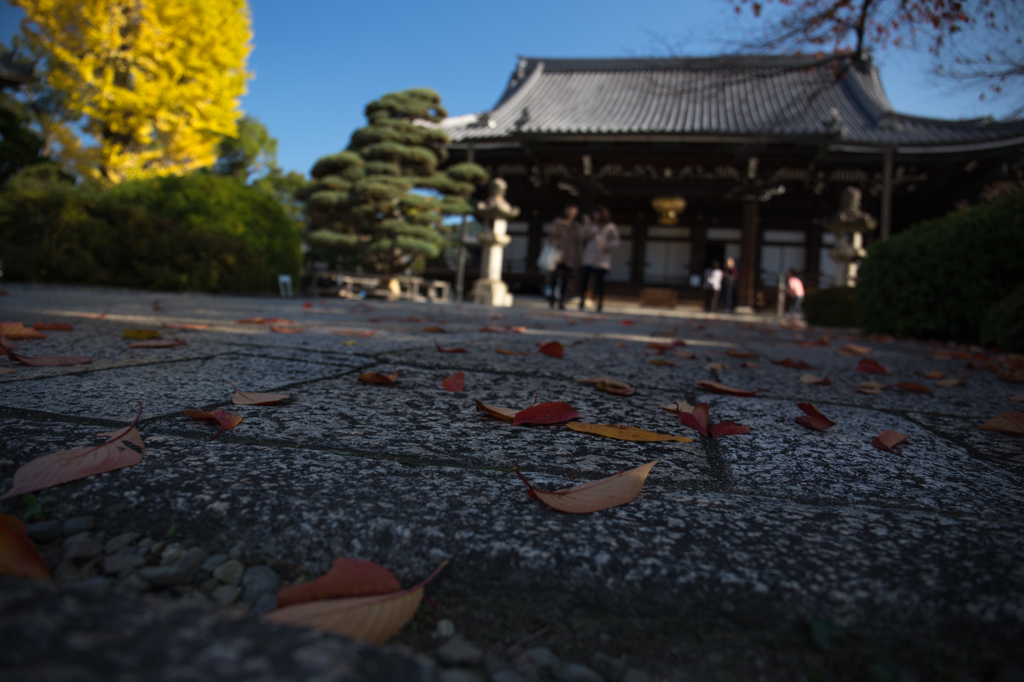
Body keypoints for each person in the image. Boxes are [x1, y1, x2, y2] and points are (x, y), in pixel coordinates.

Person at [578, 205, 620, 313]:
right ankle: (582, 300)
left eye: (598, 213)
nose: (596, 215)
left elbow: (616, 240)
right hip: (588, 257)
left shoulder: (610, 227)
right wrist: (585, 226)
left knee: (600, 282)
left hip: (602, 258)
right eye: (595, 213)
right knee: (585, 280)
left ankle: (599, 303)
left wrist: (608, 247)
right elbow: (582, 237)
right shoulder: (591, 226)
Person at [547, 203, 581, 309]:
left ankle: (562, 300)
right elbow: (551, 236)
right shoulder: (558, 222)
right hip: (556, 253)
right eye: (569, 209)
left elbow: (580, 241)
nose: (571, 212)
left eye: (574, 210)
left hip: (570, 255)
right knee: (554, 277)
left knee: (566, 279)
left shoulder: (577, 225)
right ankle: (552, 297)